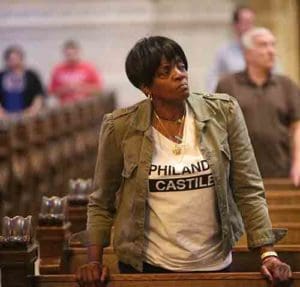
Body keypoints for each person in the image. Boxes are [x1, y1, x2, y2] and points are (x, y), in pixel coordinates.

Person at [76, 36, 292, 286]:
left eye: (181, 66)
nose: (180, 75)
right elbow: (101, 201)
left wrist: (269, 255)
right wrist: (93, 261)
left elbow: (249, 189)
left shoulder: (223, 112)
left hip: (214, 264)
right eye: (166, 72)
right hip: (146, 268)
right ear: (146, 86)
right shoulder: (121, 127)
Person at [216, 27, 300, 186]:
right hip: (240, 177)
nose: (271, 51)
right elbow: (216, 130)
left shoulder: (286, 85)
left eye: (273, 45)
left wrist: (298, 164)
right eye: (263, 45)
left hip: (281, 173)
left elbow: (297, 127)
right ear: (247, 54)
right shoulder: (227, 85)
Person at [206, 6, 255, 92]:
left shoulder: (263, 49)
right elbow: (212, 79)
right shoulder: (224, 52)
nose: (249, 27)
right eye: (246, 22)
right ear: (235, 25)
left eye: (251, 22)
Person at [49, 40, 103, 105]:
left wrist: (80, 88)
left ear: (78, 52)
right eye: (68, 54)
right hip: (66, 107)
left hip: (85, 106)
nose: (71, 57)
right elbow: (52, 91)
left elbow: (98, 90)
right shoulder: (58, 70)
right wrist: (66, 89)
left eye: (73, 54)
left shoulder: (88, 68)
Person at [0, 45, 44, 118]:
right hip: (5, 116)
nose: (13, 61)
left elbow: (39, 96)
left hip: (27, 115)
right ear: (6, 61)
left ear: (21, 59)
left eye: (16, 58)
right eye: (10, 59)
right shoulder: (1, 76)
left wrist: (33, 112)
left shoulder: (31, 75)